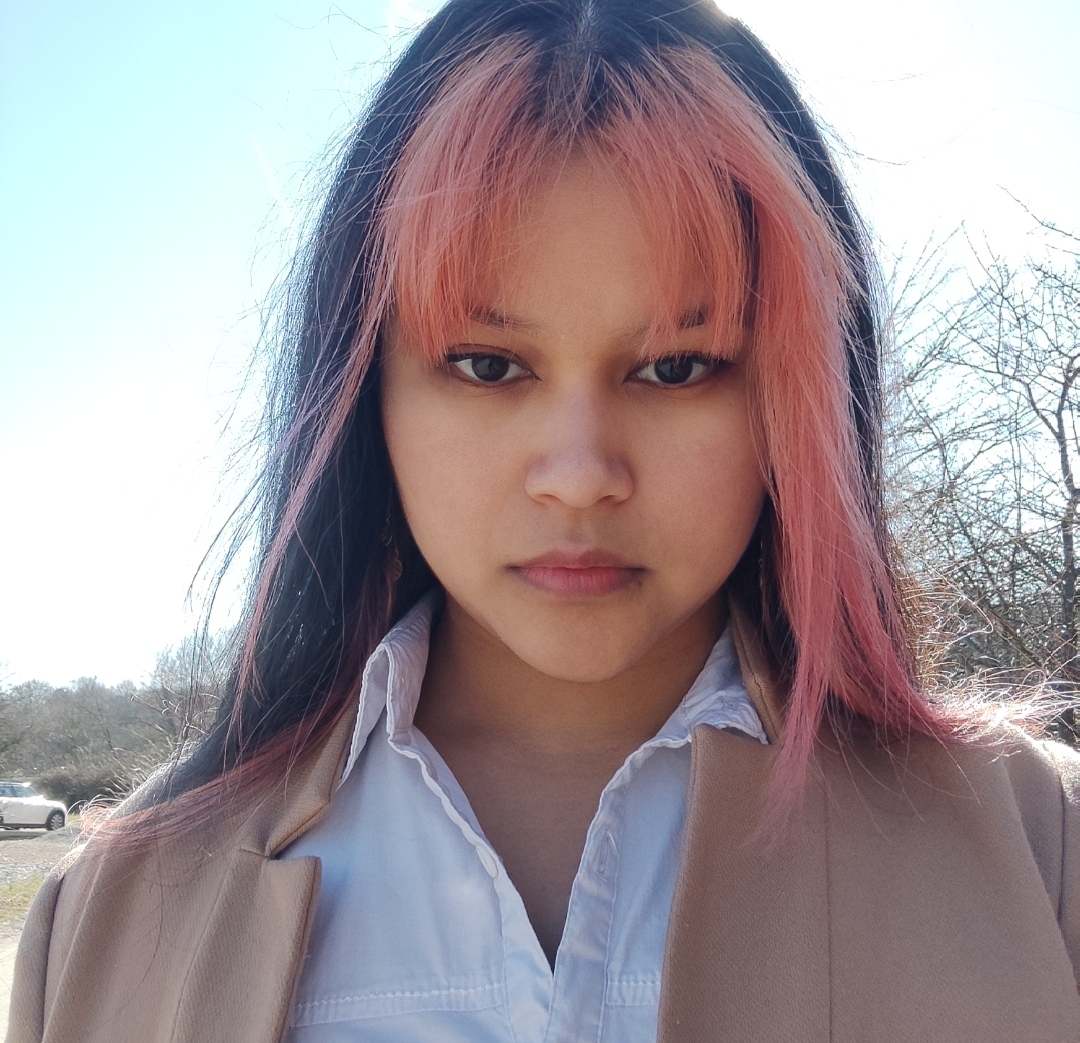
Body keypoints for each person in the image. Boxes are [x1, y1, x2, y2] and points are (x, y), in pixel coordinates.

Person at [8, 1, 1080, 1041]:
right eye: (487, 364)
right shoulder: (110, 917)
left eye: (676, 367)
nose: (579, 477)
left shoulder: (1041, 854)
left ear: (797, 398)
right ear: (365, 390)